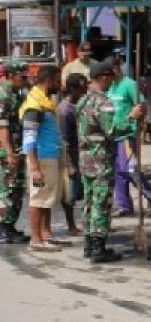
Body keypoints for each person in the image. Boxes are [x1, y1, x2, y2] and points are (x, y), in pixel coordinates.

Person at [76, 61, 135, 263]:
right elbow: (112, 132)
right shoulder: (104, 103)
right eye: (109, 78)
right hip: (101, 160)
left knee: (89, 201)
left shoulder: (83, 101)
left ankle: (88, 244)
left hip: (85, 159)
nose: (111, 82)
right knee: (101, 203)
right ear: (102, 77)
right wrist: (131, 118)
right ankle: (98, 247)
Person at [21, 65, 65, 252]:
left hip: (50, 156)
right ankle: (36, 239)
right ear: (48, 81)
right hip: (41, 158)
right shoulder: (34, 106)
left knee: (47, 199)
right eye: (57, 80)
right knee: (38, 198)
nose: (59, 85)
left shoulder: (45, 101)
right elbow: (29, 137)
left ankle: (46, 234)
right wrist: (34, 167)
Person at [109, 54, 151, 216]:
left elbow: (141, 105)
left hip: (128, 134)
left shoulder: (129, 84)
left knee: (129, 168)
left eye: (112, 71)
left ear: (118, 68)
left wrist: (138, 123)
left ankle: (150, 195)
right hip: (112, 133)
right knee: (118, 171)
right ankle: (124, 205)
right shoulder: (109, 86)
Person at [0, 61, 30, 243]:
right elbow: (2, 127)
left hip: (16, 149)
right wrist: (10, 152)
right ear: (11, 75)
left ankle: (9, 226)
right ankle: (4, 227)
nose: (25, 81)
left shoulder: (14, 93)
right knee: (9, 190)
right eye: (22, 77)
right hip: (7, 152)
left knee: (17, 189)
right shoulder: (4, 95)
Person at [57, 72, 87, 237]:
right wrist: (69, 164)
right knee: (70, 194)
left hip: (80, 154)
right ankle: (71, 225)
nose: (83, 92)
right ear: (73, 89)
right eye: (81, 89)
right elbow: (64, 139)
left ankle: (84, 222)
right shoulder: (64, 111)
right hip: (71, 157)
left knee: (80, 192)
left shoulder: (78, 106)